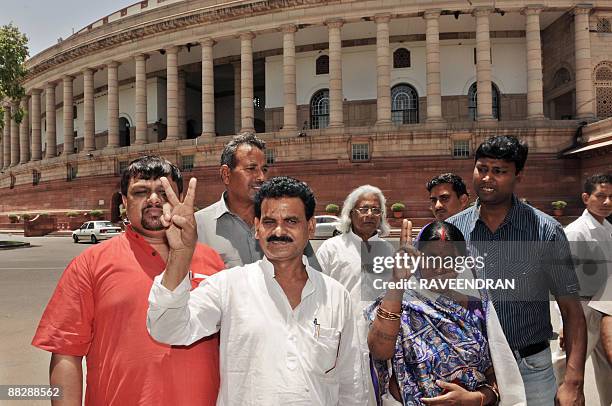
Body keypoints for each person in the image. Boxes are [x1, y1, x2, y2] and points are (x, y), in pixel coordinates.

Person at [147, 176, 366, 405]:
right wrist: (181, 254)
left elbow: (352, 384)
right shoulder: (229, 286)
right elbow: (166, 328)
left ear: (310, 227)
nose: (279, 231)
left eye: (291, 221)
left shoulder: (336, 296)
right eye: (269, 222)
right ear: (257, 228)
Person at [32, 156, 223, 406]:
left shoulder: (212, 262)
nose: (154, 199)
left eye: (164, 192)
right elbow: (66, 354)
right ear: (124, 201)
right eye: (141, 192)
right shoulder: (91, 264)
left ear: (181, 197)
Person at [447, 135, 587, 406]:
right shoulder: (454, 232)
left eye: (499, 171)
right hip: (471, 370)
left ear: (518, 175)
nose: (487, 178)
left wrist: (573, 383)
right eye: (482, 168)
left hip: (530, 369)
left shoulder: (545, 231)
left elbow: (572, 312)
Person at [367, 220, 526, 406]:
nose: (439, 268)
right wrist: (397, 282)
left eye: (449, 260)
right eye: (431, 257)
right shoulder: (399, 301)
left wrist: (475, 399)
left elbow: (497, 372)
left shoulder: (477, 307)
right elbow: (380, 351)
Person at [316, 185, 395, 406]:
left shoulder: (387, 250)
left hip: (379, 338)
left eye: (376, 210)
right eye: (364, 208)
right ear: (351, 212)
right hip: (342, 339)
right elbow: (316, 295)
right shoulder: (332, 248)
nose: (370, 214)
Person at [195, 132, 321, 270]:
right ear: (226, 174)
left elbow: (313, 276)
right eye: (251, 169)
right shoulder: (197, 227)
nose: (261, 177)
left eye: (264, 169)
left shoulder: (284, 223)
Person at [553, 173, 612, 406]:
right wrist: (564, 324)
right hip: (582, 310)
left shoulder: (608, 228)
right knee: (566, 367)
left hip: (605, 309)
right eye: (601, 196)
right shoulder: (575, 232)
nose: (607, 202)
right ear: (586, 198)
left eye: (611, 197)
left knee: (607, 368)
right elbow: (562, 281)